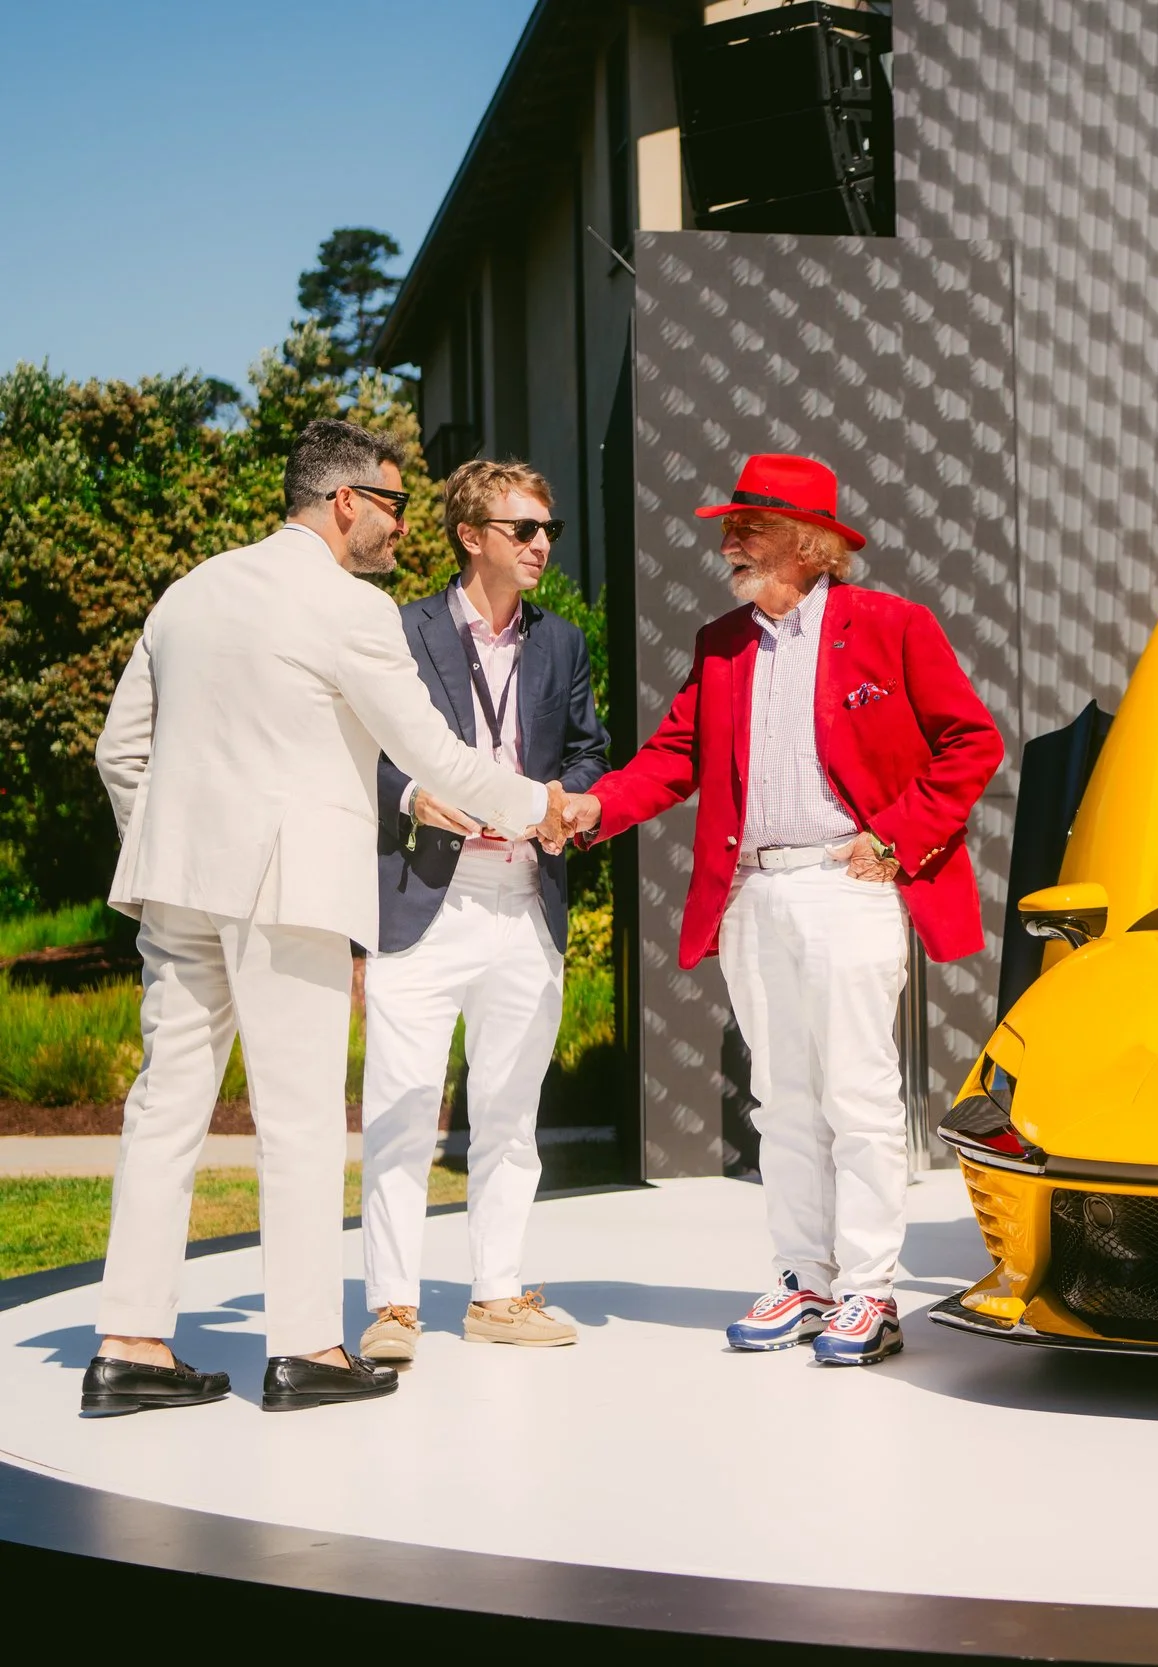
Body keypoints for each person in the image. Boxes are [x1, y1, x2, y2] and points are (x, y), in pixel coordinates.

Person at [84, 419, 570, 1416]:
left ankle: (129, 1343)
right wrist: (538, 806)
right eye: (393, 504)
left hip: (178, 887)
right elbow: (433, 753)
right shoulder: (351, 609)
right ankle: (305, 1348)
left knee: (163, 1111)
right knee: (299, 1119)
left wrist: (173, 841)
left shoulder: (189, 593)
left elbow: (118, 751)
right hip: (288, 891)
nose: (402, 527)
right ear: (346, 501)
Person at [565, 453, 1000, 1365]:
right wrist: (595, 806)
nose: (729, 541)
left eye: (749, 526)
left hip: (847, 887)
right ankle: (804, 1276)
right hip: (754, 893)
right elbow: (675, 755)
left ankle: (871, 1290)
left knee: (859, 1094)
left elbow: (971, 739)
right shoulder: (722, 642)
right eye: (732, 526)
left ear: (808, 545)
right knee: (783, 1098)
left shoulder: (893, 626)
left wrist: (894, 838)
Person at [356, 459, 610, 1363]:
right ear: (472, 537)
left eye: (550, 530)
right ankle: (390, 1305)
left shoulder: (564, 644)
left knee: (510, 1111)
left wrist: (567, 801)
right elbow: (359, 743)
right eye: (525, 529)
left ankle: (496, 1294)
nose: (544, 545)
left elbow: (588, 752)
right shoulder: (400, 628)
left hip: (524, 899)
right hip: (428, 897)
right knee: (401, 1105)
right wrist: (414, 792)